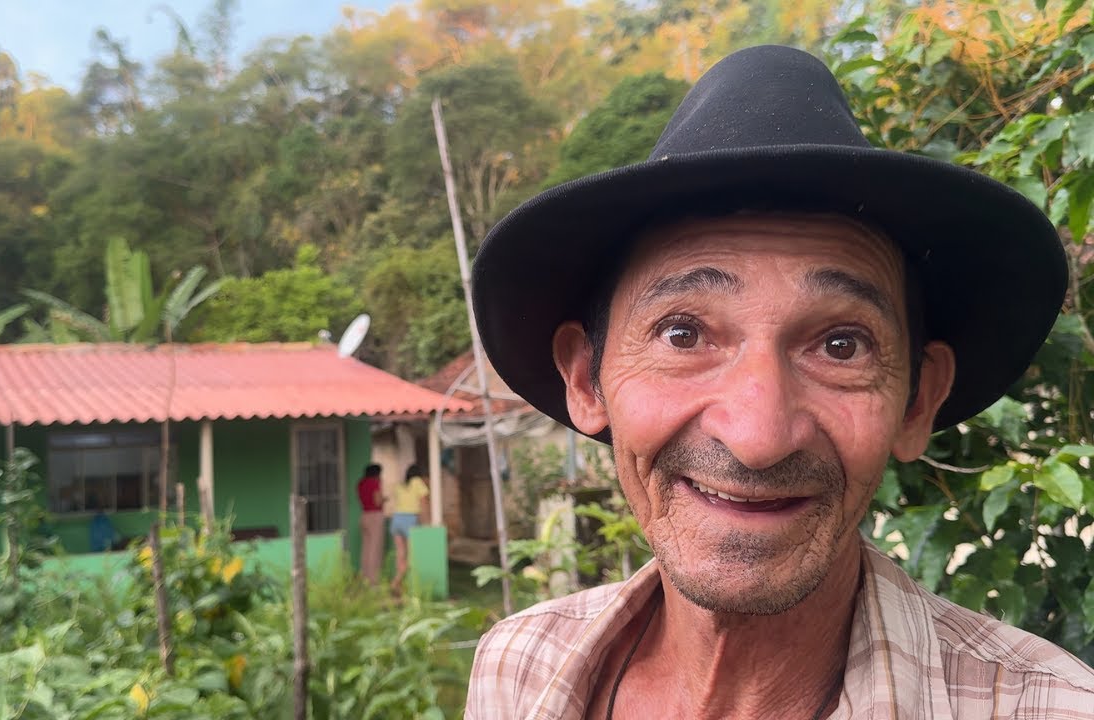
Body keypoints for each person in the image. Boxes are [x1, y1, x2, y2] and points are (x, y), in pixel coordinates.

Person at [464, 46, 1094, 719]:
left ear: (918, 401)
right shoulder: (518, 667)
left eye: (841, 346)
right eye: (683, 334)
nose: (759, 437)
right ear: (586, 380)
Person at [388, 463, 430, 595]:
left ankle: (400, 585)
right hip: (409, 519)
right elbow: (424, 502)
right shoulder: (417, 482)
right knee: (412, 555)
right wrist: (427, 521)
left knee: (400, 553)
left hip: (396, 519)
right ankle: (396, 582)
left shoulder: (400, 485)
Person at [356, 463, 386, 584]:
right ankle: (374, 581)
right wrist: (385, 499)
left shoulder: (361, 483)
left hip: (364, 515)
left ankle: (365, 577)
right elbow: (377, 501)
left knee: (366, 549)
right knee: (375, 549)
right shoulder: (374, 482)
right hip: (375, 516)